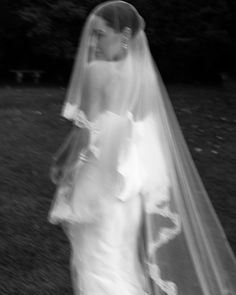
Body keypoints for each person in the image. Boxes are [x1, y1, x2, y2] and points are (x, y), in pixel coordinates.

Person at [48, 1, 236, 295]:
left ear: (123, 35)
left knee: (98, 267)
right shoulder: (145, 76)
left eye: (99, 34)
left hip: (99, 188)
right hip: (131, 191)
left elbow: (85, 134)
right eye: (93, 35)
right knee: (123, 265)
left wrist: (65, 169)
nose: (92, 43)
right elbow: (136, 133)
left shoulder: (96, 71)